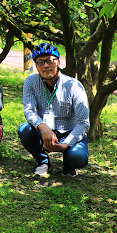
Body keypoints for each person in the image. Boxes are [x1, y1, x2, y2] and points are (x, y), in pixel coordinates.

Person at [18, 43, 90, 177]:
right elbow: (30, 110)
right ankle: (43, 162)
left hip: (69, 131)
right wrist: (44, 127)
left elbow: (83, 123)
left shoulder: (74, 86)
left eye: (50, 61)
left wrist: (65, 144)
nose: (46, 65)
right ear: (36, 65)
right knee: (24, 130)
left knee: (77, 158)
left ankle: (69, 164)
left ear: (58, 62)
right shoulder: (31, 82)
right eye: (40, 62)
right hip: (44, 131)